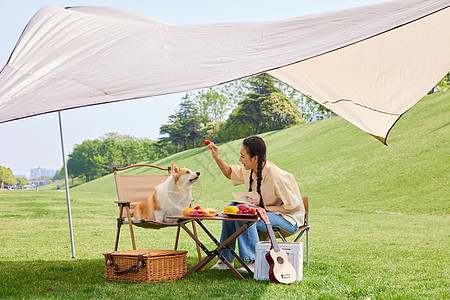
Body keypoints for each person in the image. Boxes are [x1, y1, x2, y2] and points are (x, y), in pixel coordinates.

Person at [207, 135, 305, 273]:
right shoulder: (249, 170)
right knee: (231, 212)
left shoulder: (277, 176)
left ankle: (254, 261)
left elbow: (295, 206)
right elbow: (230, 173)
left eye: (242, 156)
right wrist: (216, 157)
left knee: (248, 216)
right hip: (265, 214)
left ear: (255, 158)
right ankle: (225, 259)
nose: (239, 160)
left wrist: (264, 206)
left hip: (288, 219)